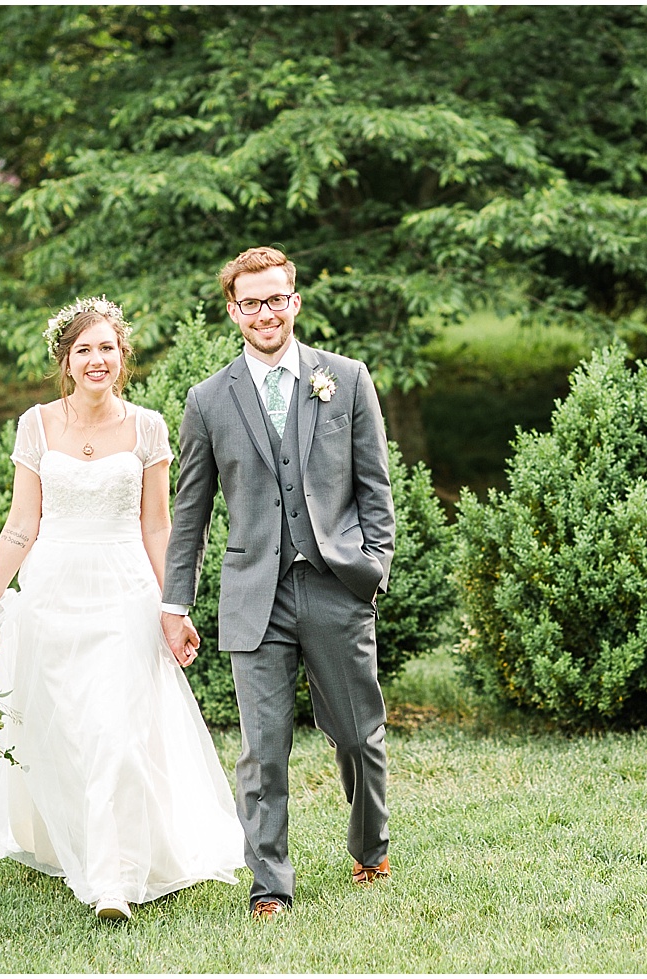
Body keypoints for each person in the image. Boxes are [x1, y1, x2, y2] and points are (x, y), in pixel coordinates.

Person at [0, 296, 244, 922]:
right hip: (53, 595)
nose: (96, 360)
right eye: (83, 349)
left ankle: (112, 884)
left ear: (122, 355)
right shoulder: (36, 425)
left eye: (107, 348)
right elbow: (21, 525)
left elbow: (157, 527)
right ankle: (78, 846)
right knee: (68, 735)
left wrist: (174, 606)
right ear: (65, 359)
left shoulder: (148, 428)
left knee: (117, 734)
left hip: (124, 594)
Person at [160, 246, 397, 921]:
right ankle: (270, 886)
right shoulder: (209, 400)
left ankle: (370, 848)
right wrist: (175, 601)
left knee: (358, 736)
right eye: (251, 303)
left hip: (335, 585)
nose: (265, 313)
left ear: (294, 302)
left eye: (275, 299)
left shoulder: (345, 378)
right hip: (254, 593)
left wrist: (373, 565)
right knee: (263, 752)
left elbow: (375, 488)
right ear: (232, 310)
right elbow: (191, 512)